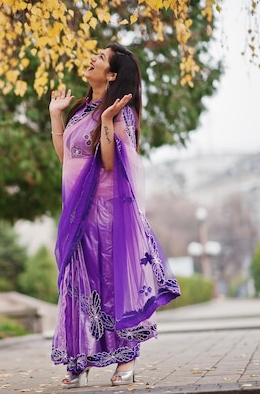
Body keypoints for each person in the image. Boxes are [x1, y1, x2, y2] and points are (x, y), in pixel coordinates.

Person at [48, 43, 181, 388]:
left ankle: (127, 359)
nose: (92, 58)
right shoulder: (81, 109)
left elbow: (108, 162)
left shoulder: (120, 113)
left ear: (111, 75)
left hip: (106, 213)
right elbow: (68, 159)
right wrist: (55, 115)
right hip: (77, 212)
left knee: (111, 282)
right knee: (78, 285)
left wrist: (107, 120)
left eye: (101, 58)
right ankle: (80, 359)